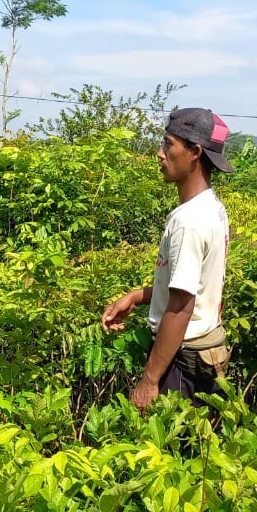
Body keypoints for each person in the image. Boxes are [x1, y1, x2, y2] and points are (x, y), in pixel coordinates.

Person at [101, 108, 233, 411]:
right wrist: (137, 297)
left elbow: (181, 306)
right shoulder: (211, 208)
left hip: (181, 363)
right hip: (200, 354)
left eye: (168, 144)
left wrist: (150, 380)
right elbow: (192, 290)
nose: (160, 154)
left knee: (165, 455)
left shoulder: (190, 221)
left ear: (195, 152)